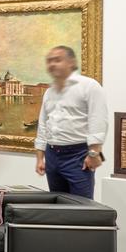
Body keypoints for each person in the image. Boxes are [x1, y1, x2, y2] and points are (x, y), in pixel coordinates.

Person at [34, 45, 107, 198]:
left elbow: (98, 120)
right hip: (52, 155)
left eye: (57, 60)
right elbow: (43, 124)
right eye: (49, 61)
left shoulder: (89, 86)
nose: (52, 64)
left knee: (82, 205)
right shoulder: (49, 92)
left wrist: (94, 153)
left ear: (71, 62)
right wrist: (40, 158)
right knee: (58, 202)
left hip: (78, 155)